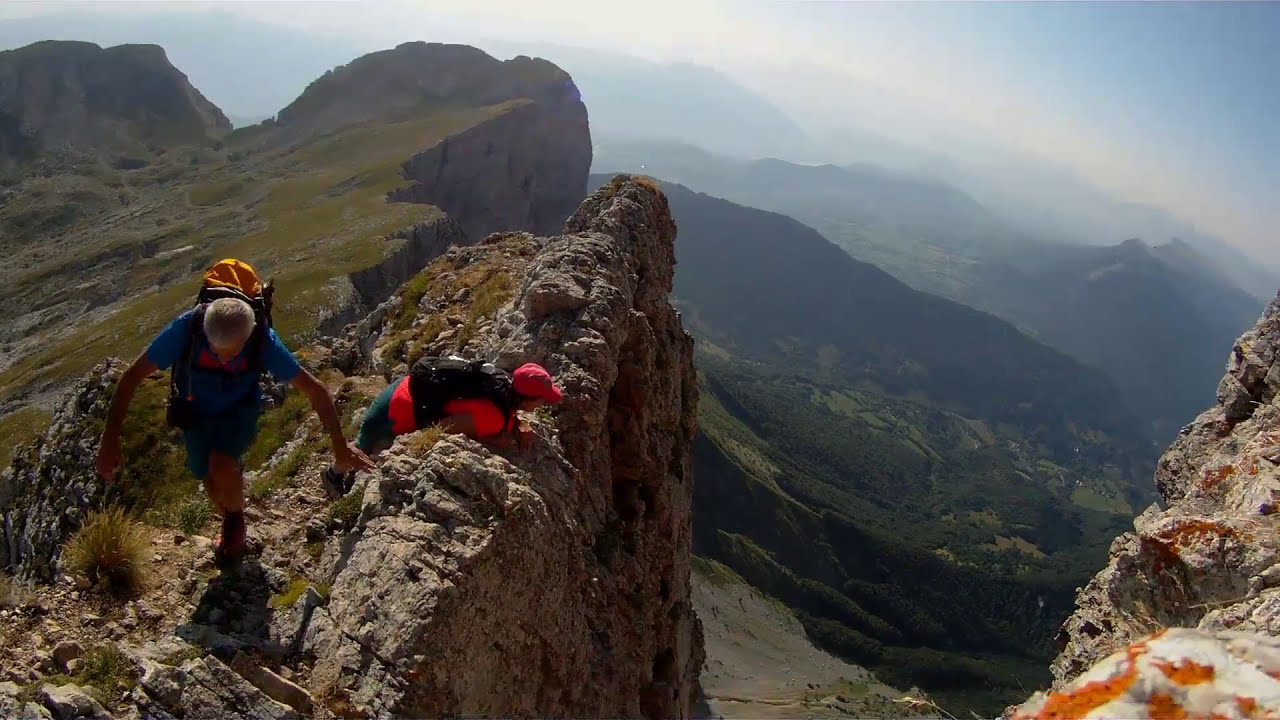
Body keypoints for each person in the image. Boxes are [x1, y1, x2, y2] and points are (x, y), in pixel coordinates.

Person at [95, 295, 375, 562]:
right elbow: (132, 376)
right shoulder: (185, 329)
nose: (225, 361)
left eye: (233, 354)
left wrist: (340, 447)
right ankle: (231, 515)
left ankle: (235, 526)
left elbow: (315, 390)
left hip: (239, 412)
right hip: (195, 415)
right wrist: (110, 439)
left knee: (221, 464)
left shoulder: (262, 341)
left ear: (248, 336)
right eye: (218, 354)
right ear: (205, 333)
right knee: (206, 475)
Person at [321, 357, 564, 496]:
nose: (544, 403)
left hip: (404, 386)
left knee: (364, 443)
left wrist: (518, 422)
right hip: (396, 411)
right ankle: (332, 476)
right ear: (527, 398)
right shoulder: (494, 418)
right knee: (359, 451)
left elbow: (490, 410)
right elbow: (443, 427)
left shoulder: (500, 379)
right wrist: (493, 438)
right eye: (542, 399)